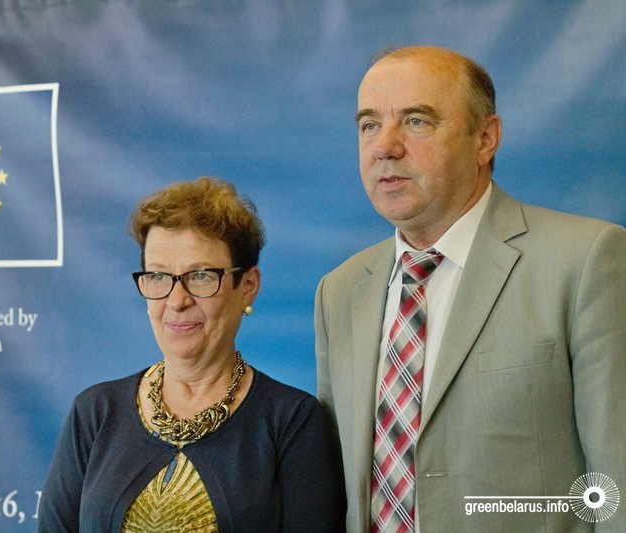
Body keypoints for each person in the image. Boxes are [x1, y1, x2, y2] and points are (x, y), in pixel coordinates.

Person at [315, 45, 626, 532]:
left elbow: (617, 483)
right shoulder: (339, 291)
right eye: (369, 125)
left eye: (416, 121)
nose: (385, 146)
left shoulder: (586, 260)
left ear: (485, 139)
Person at [39, 176, 346, 532]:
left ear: (248, 286)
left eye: (200, 276)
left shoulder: (292, 422)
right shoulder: (94, 413)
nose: (177, 300)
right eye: (158, 276)